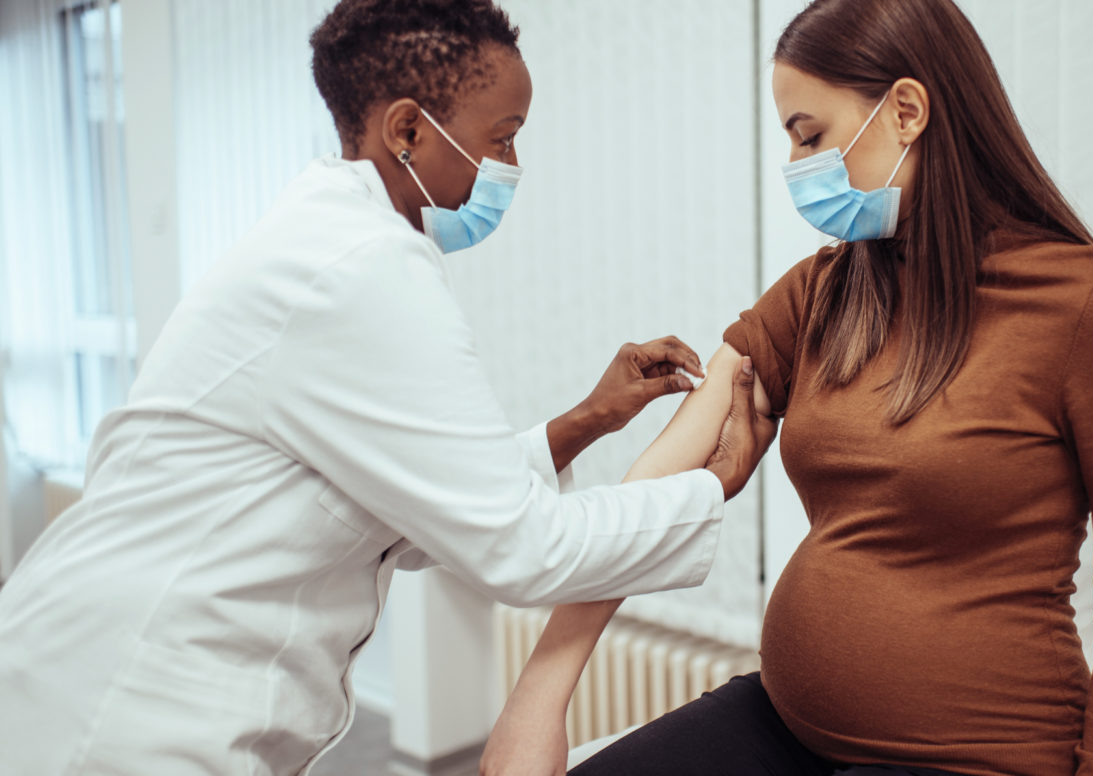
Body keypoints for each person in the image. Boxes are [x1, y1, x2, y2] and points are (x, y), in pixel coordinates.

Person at [0, 1, 774, 773]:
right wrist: (715, 484)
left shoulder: (337, 247)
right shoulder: (359, 271)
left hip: (130, 669)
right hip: (124, 703)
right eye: (501, 139)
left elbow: (415, 512)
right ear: (407, 130)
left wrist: (586, 420)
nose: (511, 167)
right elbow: (520, 548)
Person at [480, 1, 1093, 775]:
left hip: (975, 755)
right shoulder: (829, 288)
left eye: (810, 135)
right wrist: (539, 696)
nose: (796, 165)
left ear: (907, 110)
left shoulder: (1087, 309)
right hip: (787, 725)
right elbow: (663, 471)